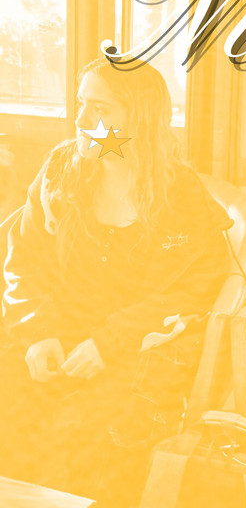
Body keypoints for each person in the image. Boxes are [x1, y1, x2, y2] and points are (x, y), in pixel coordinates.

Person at [0, 58, 233, 505]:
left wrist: (109, 343)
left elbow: (195, 289)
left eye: (101, 109)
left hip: (136, 352)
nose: (81, 120)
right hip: (56, 337)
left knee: (79, 437)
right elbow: (23, 258)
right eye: (81, 104)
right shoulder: (60, 169)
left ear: (139, 119)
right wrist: (36, 332)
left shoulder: (180, 192)